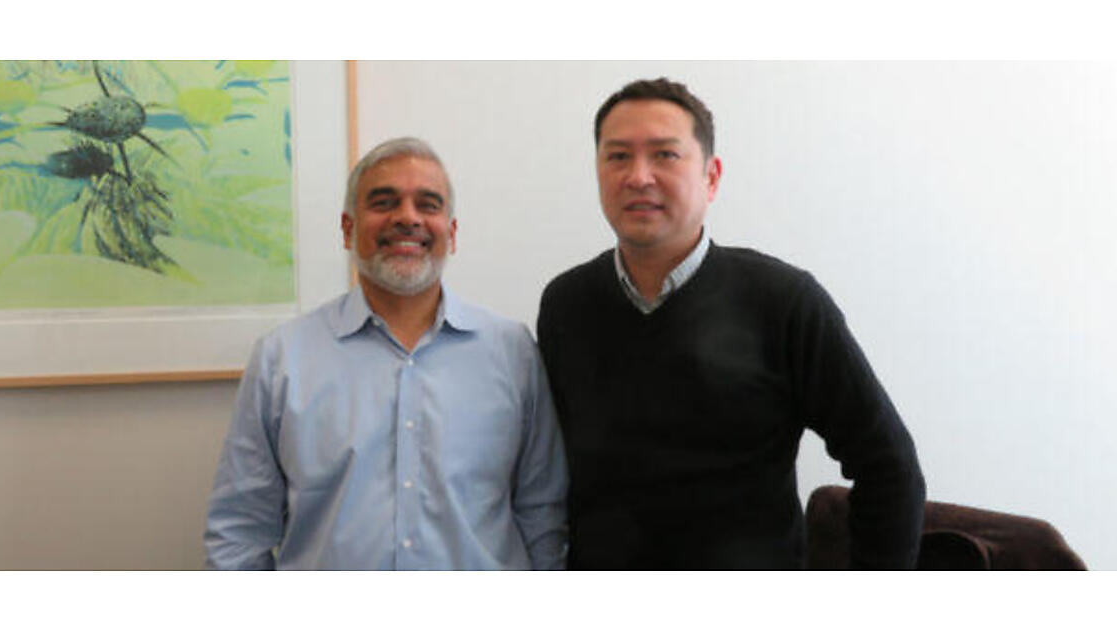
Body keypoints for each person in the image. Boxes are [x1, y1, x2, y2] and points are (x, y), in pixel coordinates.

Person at [536, 78, 925, 569]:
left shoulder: (784, 301)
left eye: (665, 155)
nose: (638, 176)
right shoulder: (566, 304)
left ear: (712, 177)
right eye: (617, 157)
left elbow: (889, 467)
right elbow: (547, 476)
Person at [205, 137, 568, 570]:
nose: (407, 218)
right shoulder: (281, 359)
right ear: (348, 229)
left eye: (428, 205)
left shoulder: (512, 353)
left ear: (451, 234)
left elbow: (543, 517)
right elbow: (240, 530)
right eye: (384, 202)